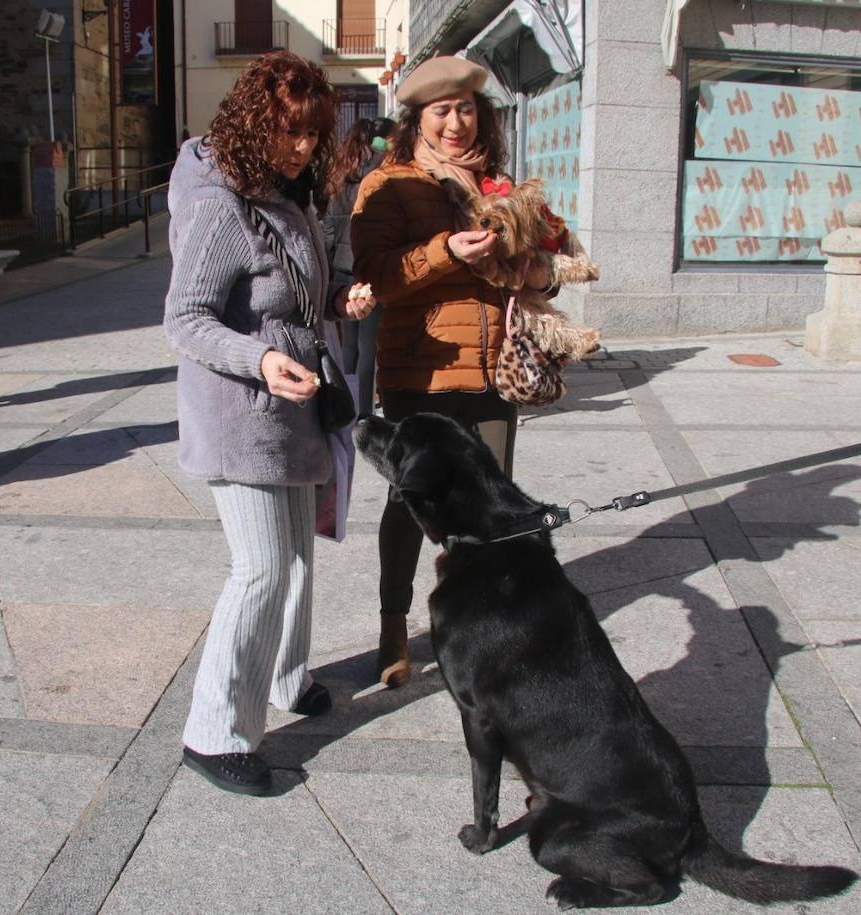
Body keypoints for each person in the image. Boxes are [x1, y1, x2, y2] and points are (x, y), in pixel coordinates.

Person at [164, 51, 375, 796]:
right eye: (289, 131)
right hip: (241, 412)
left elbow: (292, 292)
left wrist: (338, 297)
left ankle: (286, 676)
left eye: (313, 133)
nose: (303, 147)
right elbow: (183, 319)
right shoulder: (223, 203)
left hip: (293, 407)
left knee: (297, 557)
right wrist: (257, 361)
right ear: (256, 120)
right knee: (261, 567)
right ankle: (213, 732)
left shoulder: (291, 197)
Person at [351, 55, 557, 689]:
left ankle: (488, 624)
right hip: (422, 368)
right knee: (411, 501)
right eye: (441, 112)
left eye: (466, 109)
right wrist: (445, 251)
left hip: (495, 369)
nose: (455, 124)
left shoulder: (499, 185)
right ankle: (394, 623)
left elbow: (553, 255)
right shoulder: (388, 183)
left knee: (494, 503)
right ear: (418, 119)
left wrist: (538, 271)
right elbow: (377, 276)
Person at [323, 116, 394, 417]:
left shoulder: (341, 172)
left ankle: (347, 405)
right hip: (369, 267)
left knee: (349, 346)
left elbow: (327, 225)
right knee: (370, 347)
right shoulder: (383, 171)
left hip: (341, 267)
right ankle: (365, 413)